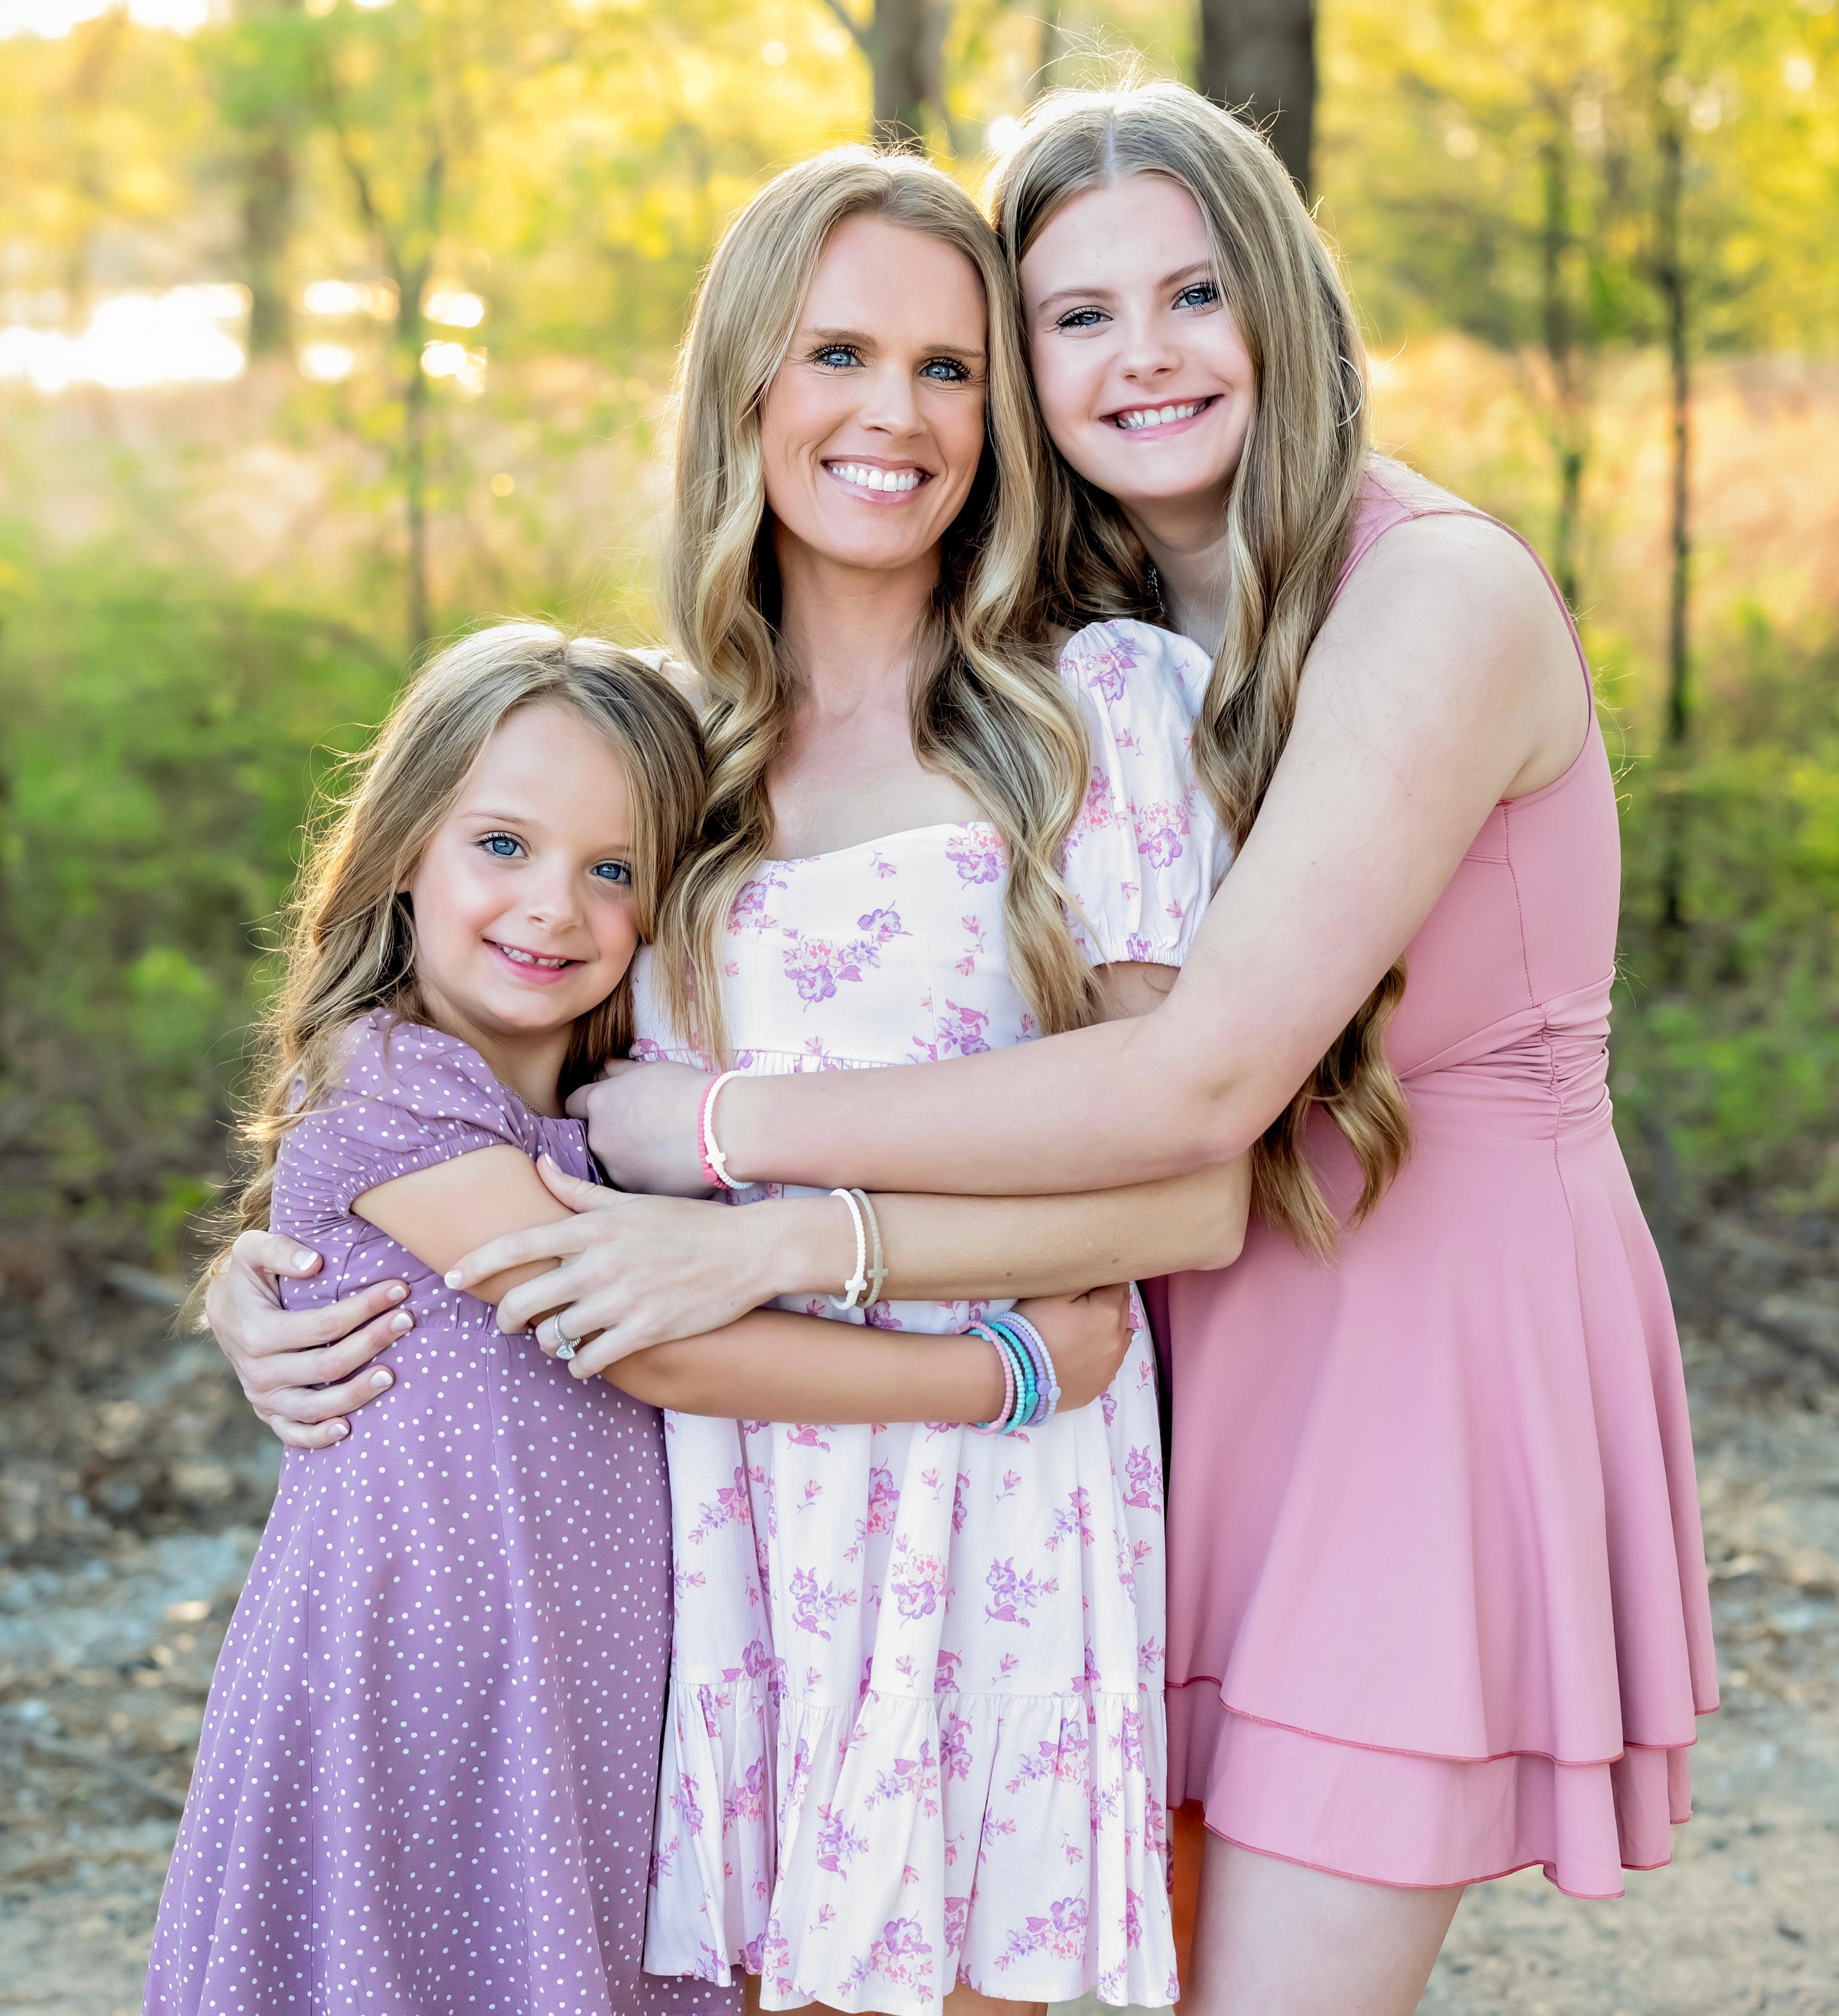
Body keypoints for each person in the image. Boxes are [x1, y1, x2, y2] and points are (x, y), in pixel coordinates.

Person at [512, 86, 1720, 2015]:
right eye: (1073, 315)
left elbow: (1192, 1098)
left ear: (1287, 312)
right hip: (1159, 1348)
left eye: (1191, 293)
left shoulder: (1431, 591)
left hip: (1410, 1342)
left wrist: (727, 1145)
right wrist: (293, 1242)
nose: (1140, 354)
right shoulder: (1093, 649)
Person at [145, 623, 1134, 2016]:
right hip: (429, 1676)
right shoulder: (388, 1083)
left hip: (590, 1677)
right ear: (403, 849)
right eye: (501, 846)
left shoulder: (617, 1104)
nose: (554, 906)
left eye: (614, 872)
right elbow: (649, 1337)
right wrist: (999, 1374)